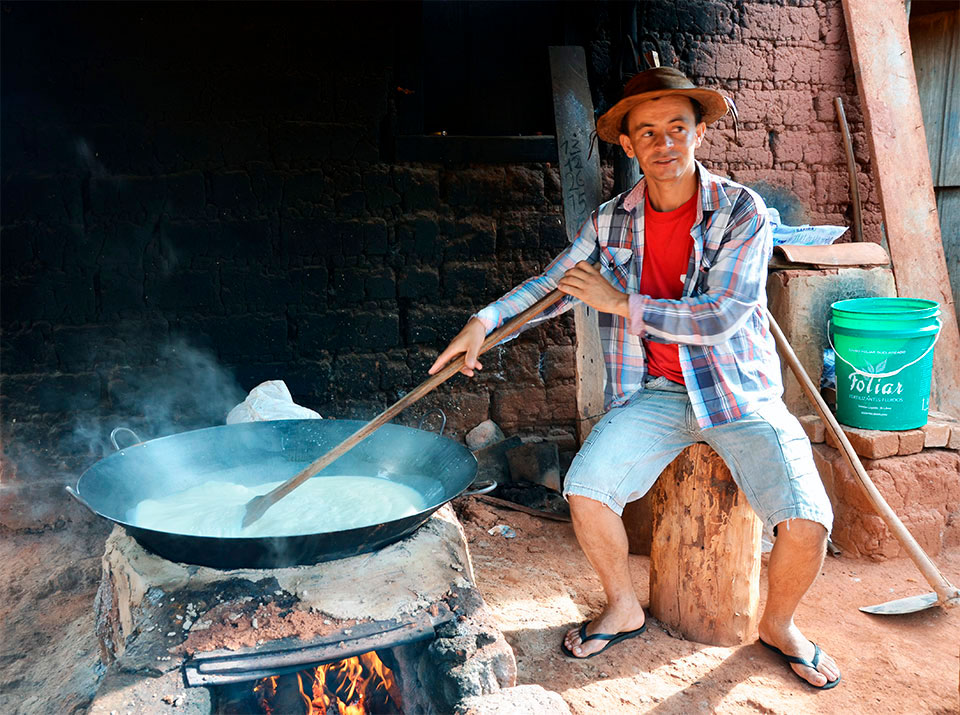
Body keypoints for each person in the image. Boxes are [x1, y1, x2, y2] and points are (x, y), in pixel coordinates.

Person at [428, 67, 840, 690]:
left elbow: (725, 315)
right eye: (647, 132)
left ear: (698, 133)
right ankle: (623, 606)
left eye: (678, 126)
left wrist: (622, 302)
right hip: (657, 393)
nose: (664, 142)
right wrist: (483, 323)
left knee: (807, 517)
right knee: (587, 490)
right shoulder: (609, 222)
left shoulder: (741, 212)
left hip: (736, 391)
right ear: (629, 145)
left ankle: (779, 624)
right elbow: (551, 286)